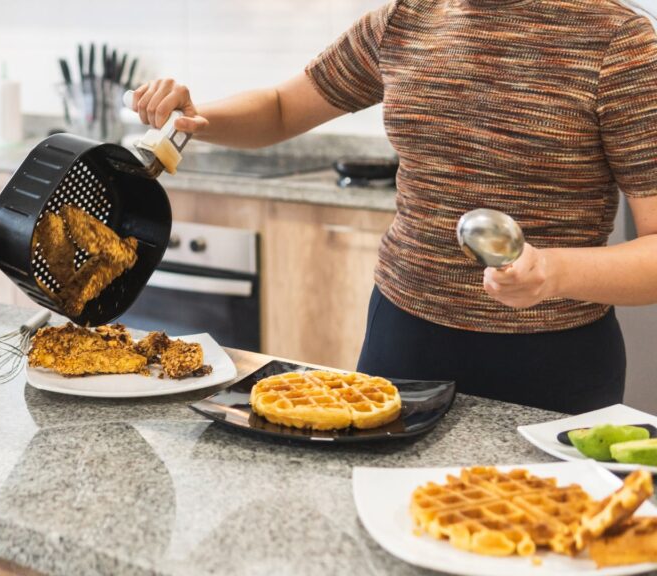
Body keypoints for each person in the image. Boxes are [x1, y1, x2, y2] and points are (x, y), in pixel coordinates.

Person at [129, 0, 657, 414]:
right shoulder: (406, 19)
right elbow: (283, 107)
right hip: (403, 338)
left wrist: (552, 271)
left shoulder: (620, 43)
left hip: (552, 359)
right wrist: (197, 118)